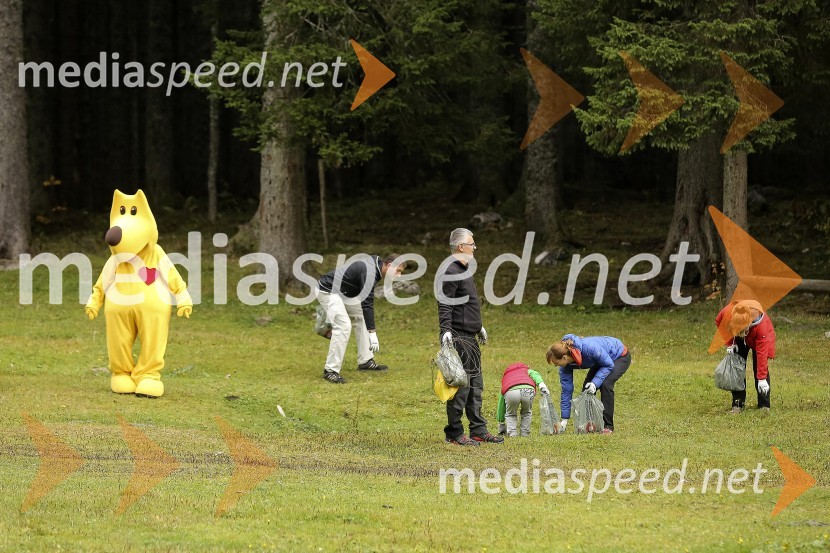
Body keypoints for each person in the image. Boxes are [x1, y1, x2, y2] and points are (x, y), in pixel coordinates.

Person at [438, 228, 503, 446]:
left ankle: (478, 430)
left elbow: (466, 304)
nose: (475, 248)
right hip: (459, 336)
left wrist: (478, 326)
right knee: (461, 386)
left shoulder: (465, 268)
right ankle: (454, 433)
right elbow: (444, 301)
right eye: (471, 244)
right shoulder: (451, 270)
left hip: (470, 336)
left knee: (476, 385)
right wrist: (445, 330)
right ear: (460, 247)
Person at [315, 254, 403, 384]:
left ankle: (365, 361)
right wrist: (372, 332)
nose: (399, 275)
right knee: (344, 326)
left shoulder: (377, 265)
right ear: (389, 266)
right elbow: (367, 302)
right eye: (398, 271)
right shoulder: (371, 271)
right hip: (328, 291)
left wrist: (371, 330)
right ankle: (330, 370)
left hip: (343, 293)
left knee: (361, 316)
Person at [546, 334, 631, 434]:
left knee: (605, 385)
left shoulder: (589, 348)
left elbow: (608, 365)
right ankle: (590, 423)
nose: (556, 366)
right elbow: (566, 390)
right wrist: (564, 420)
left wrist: (595, 383)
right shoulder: (565, 366)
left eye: (556, 363)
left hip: (618, 356)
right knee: (587, 389)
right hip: (600, 361)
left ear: (564, 358)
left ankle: (608, 427)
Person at [714, 299, 775, 413]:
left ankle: (764, 405)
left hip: (757, 337)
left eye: (744, 330)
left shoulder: (762, 326)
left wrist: (762, 379)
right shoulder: (726, 313)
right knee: (737, 367)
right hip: (736, 338)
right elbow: (719, 322)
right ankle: (737, 404)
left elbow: (762, 354)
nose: (743, 334)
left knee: (760, 368)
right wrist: (730, 343)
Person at [496, 363, 549, 437]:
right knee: (526, 412)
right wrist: (541, 385)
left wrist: (501, 422)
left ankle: (512, 434)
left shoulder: (506, 378)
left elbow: (501, 405)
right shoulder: (527, 370)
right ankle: (525, 433)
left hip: (511, 391)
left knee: (510, 414)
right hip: (528, 390)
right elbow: (535, 375)